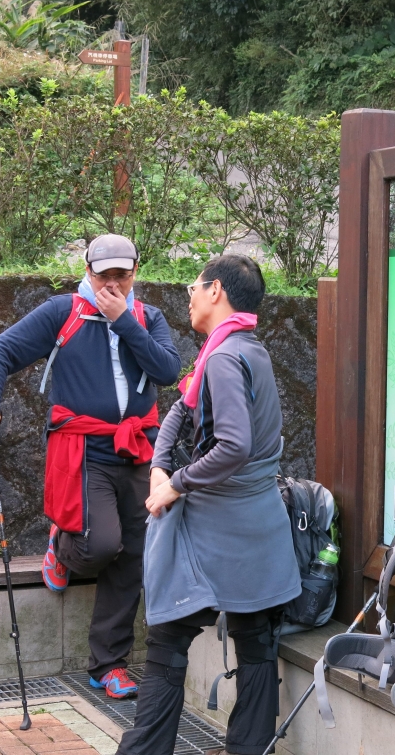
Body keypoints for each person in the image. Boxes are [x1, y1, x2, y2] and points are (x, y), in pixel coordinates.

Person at [0, 234, 181, 698]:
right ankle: (63, 541)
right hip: (83, 450)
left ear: (135, 272)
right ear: (87, 271)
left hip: (138, 449)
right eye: (103, 274)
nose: (112, 282)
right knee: (101, 546)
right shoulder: (62, 312)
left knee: (134, 556)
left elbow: (168, 370)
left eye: (121, 274)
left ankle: (108, 665)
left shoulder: (147, 317)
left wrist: (123, 321)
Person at [117, 255, 302, 755]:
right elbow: (181, 408)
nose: (190, 295)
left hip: (217, 525)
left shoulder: (222, 356)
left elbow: (234, 445)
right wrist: (158, 464)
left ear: (216, 290)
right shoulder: (243, 348)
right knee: (256, 637)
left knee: (168, 640)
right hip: (258, 526)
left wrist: (175, 483)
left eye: (194, 286)